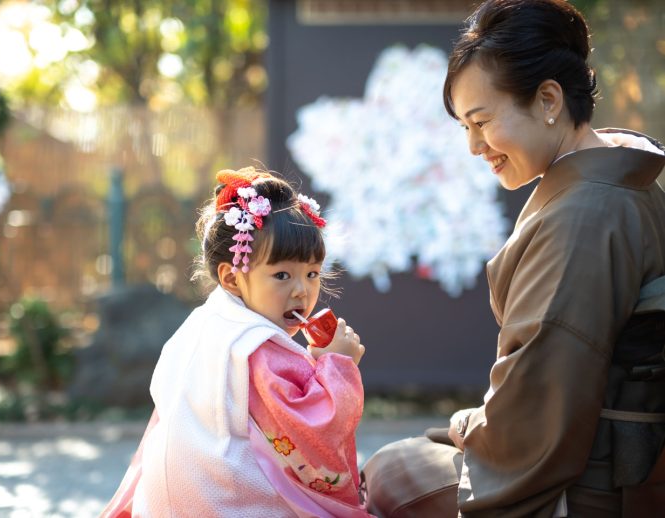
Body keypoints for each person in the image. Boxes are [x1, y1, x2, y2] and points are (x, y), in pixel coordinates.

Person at [362, 0, 665, 516]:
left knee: (386, 471)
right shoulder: (625, 175)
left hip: (580, 483)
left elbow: (537, 413)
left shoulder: (585, 216)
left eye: (481, 122)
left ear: (548, 99)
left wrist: (464, 424)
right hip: (608, 456)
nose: (475, 147)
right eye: (464, 128)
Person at [101, 166, 372, 517]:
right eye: (282, 274)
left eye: (312, 273)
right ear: (231, 277)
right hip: (230, 503)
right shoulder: (256, 346)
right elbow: (312, 427)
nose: (302, 290)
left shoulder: (202, 325)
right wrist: (337, 365)